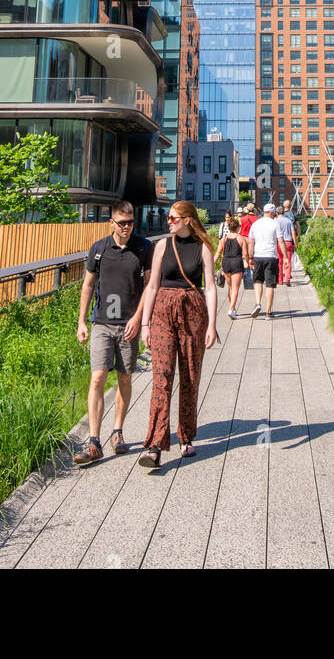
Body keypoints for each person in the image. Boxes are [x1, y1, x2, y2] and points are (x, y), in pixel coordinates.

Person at [137, 201, 218, 471]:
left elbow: (210, 288)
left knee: (190, 375)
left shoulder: (203, 248)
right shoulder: (162, 246)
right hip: (162, 313)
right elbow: (152, 286)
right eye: (168, 217)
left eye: (173, 217)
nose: (168, 221)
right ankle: (155, 444)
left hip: (193, 313)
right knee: (161, 376)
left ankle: (186, 436)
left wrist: (212, 325)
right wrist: (145, 324)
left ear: (187, 220)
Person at [74, 200, 153, 465]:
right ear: (111, 223)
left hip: (128, 324)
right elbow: (87, 286)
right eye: (122, 223)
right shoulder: (98, 250)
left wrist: (139, 319)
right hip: (102, 323)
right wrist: (81, 321)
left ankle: (117, 431)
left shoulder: (143, 248)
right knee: (97, 378)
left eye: (130, 222)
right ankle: (94, 441)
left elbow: (149, 286)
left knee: (125, 378)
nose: (127, 227)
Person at [247, 203, 286, 319]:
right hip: (271, 257)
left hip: (258, 256)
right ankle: (268, 313)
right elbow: (281, 241)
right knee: (270, 284)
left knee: (258, 281)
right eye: (274, 212)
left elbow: (250, 242)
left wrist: (250, 257)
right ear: (271, 212)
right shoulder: (275, 224)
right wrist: (286, 258)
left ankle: (258, 303)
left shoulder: (255, 224)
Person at [215, 213, 245, 318]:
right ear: (237, 228)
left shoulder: (223, 238)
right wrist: (249, 262)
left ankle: (233, 308)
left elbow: (218, 253)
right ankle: (231, 309)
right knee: (236, 288)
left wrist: (212, 264)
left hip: (226, 263)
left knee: (230, 288)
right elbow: (245, 254)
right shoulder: (241, 238)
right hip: (237, 262)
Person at [276, 202, 298, 287]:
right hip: (288, 243)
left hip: (279, 243)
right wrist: (295, 244)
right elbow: (293, 233)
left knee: (280, 262)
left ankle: (280, 280)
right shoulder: (289, 221)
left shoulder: (276, 221)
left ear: (277, 213)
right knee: (288, 261)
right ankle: (287, 279)